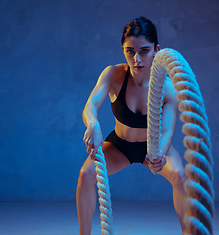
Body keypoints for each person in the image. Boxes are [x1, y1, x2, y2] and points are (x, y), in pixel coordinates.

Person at [76, 17, 187, 235]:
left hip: (155, 147)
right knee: (86, 175)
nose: (136, 59)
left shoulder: (168, 87)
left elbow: (166, 131)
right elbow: (90, 106)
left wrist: (159, 154)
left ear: (157, 49)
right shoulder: (113, 75)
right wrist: (93, 124)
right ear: (123, 50)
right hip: (120, 147)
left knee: (181, 177)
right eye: (130, 51)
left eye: (144, 51)